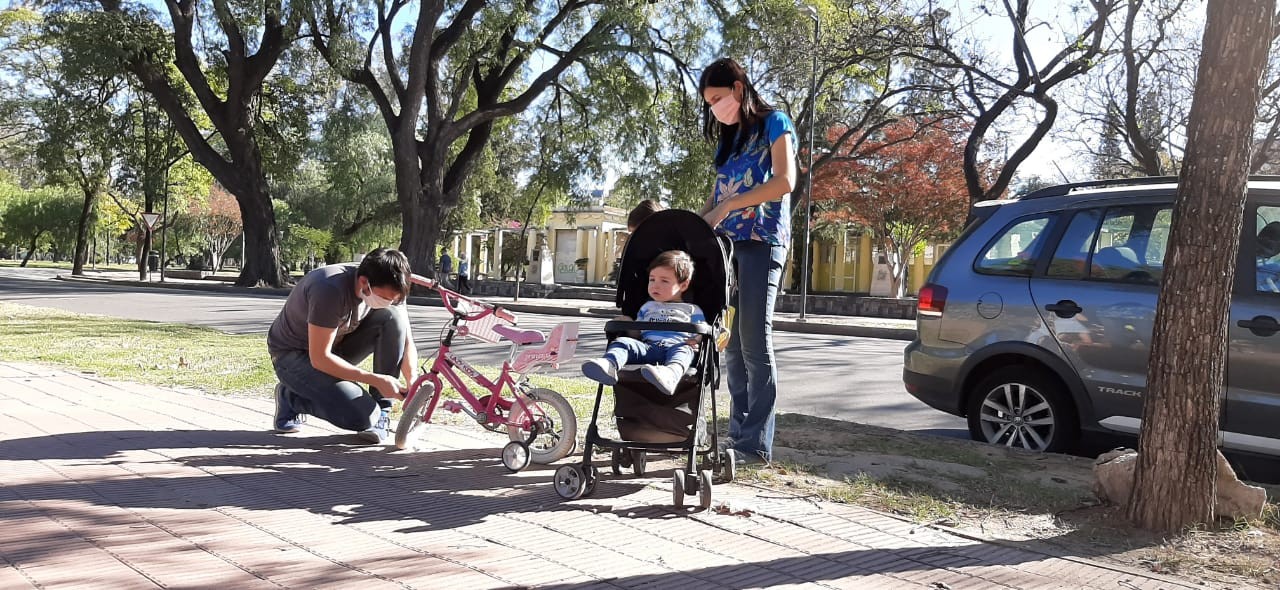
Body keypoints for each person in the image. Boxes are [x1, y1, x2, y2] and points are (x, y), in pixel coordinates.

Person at [697, 57, 797, 466]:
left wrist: (732, 205)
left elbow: (785, 181)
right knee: (732, 348)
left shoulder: (776, 122)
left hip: (763, 241)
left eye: (718, 98)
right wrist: (697, 224)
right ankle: (738, 436)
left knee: (755, 342)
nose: (714, 108)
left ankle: (756, 444)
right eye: (709, 103)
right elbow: (716, 196)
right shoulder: (729, 140)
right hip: (729, 249)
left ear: (739, 89)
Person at [267, 247, 417, 444]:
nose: (390, 302)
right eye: (386, 298)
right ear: (364, 283)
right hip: (293, 356)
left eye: (395, 299)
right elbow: (320, 358)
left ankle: (382, 414)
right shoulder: (329, 288)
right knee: (362, 416)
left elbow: (406, 341)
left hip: (334, 348)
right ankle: (291, 398)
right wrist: (375, 379)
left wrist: (413, 381)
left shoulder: (391, 284)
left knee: (393, 319)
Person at [581, 250, 705, 396]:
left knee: (685, 351)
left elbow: (702, 329)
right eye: (652, 279)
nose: (655, 285)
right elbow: (637, 334)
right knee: (622, 342)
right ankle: (609, 364)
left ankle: (671, 374)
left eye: (664, 281)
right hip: (648, 347)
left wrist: (697, 339)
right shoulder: (647, 307)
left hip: (676, 346)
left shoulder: (691, 309)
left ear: (683, 285)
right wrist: (628, 323)